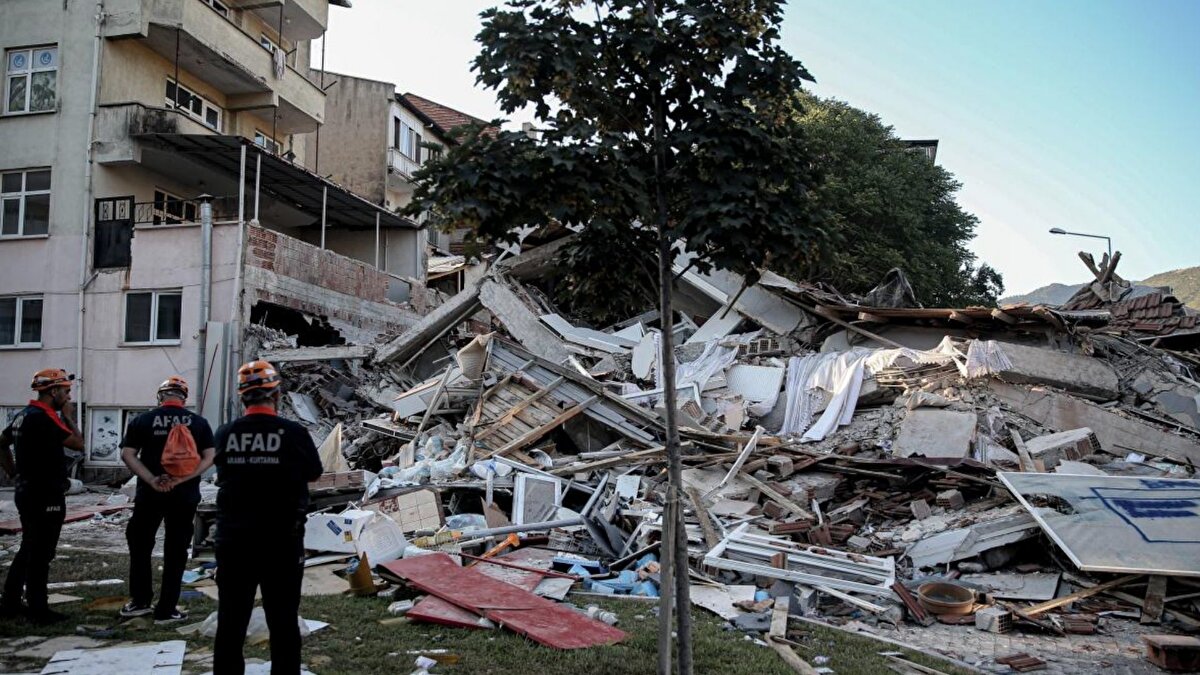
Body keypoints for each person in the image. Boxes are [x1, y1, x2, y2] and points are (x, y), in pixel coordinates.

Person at [213, 360, 322, 675]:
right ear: (276, 394)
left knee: (231, 619)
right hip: (281, 541)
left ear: (242, 397)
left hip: (234, 540)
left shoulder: (225, 433)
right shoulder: (293, 433)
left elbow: (222, 470)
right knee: (283, 619)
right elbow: (314, 473)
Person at [119, 376, 215, 624]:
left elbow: (128, 454)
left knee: (140, 545)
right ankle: (167, 609)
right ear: (183, 397)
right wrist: (181, 479)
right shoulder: (199, 423)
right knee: (176, 550)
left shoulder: (142, 420)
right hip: (183, 496)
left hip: (150, 494)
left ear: (160, 396)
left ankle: (140, 602)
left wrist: (151, 479)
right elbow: (209, 458)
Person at [0, 369, 85, 624]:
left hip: (26, 490)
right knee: (41, 552)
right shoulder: (45, 418)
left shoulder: (23, 416)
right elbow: (78, 444)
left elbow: (1, 443)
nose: (69, 396)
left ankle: (11, 603)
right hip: (45, 493)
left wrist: (13, 472)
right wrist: (69, 418)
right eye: (66, 391)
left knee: (29, 547)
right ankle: (38, 609)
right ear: (53, 391)